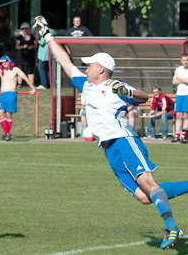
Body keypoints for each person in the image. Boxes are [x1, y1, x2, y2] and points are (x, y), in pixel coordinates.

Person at [33, 15, 188, 249]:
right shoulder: (86, 84)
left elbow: (143, 97)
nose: (87, 68)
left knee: (149, 183)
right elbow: (64, 61)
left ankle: (171, 227)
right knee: (144, 196)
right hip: (109, 149)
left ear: (102, 69)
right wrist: (47, 35)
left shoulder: (115, 87)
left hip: (124, 141)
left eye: (91, 65)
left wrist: (127, 90)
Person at [0, 56, 35, 141]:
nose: (3, 64)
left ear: (9, 61)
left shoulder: (15, 70)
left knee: (9, 114)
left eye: (5, 62)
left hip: (11, 93)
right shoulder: (0, 71)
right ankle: (7, 133)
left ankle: (6, 134)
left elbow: (25, 77)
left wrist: (33, 88)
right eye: (2, 63)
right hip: (2, 94)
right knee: (0, 113)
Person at [15, 22, 37, 87]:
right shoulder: (19, 38)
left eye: (26, 29)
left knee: (30, 69)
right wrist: (23, 47)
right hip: (21, 57)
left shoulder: (32, 37)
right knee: (20, 69)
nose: (24, 30)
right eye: (23, 29)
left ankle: (31, 84)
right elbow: (16, 46)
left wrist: (31, 47)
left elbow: (35, 46)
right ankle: (19, 83)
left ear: (28, 29)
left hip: (30, 56)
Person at [36, 24, 54, 89]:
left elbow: (42, 42)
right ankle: (49, 84)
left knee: (41, 68)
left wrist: (37, 39)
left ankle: (43, 84)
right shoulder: (52, 31)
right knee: (48, 69)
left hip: (43, 54)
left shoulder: (44, 31)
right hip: (49, 52)